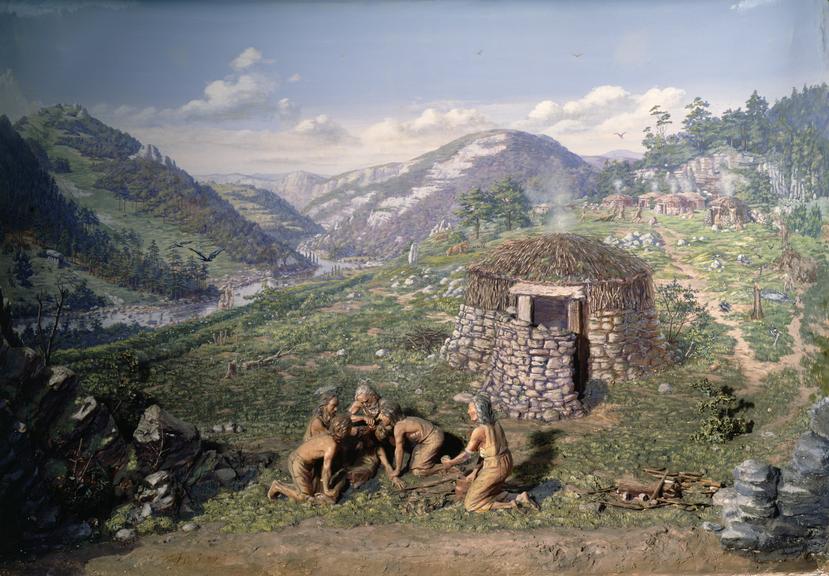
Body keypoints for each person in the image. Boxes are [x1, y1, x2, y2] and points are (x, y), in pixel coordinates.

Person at [441, 395, 537, 512]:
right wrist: (475, 472)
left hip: (495, 468)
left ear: (478, 410)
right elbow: (486, 452)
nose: (468, 411)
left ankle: (511, 504)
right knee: (491, 491)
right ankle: (521, 497)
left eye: (470, 409)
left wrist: (450, 463)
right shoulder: (496, 424)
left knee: (470, 505)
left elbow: (467, 455)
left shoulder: (479, 431)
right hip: (506, 462)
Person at [267, 415, 351, 504]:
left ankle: (286, 485)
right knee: (303, 497)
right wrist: (326, 490)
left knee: (310, 490)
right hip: (297, 462)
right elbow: (326, 469)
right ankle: (277, 487)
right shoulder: (331, 445)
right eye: (350, 428)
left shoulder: (329, 435)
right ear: (343, 430)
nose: (351, 431)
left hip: (307, 463)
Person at [376, 400, 445, 485]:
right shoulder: (403, 420)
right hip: (428, 438)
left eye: (382, 414)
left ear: (390, 415)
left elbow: (399, 449)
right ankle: (434, 459)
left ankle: (445, 465)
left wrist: (397, 470)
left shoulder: (399, 427)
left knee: (418, 471)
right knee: (412, 466)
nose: (380, 417)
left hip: (434, 439)